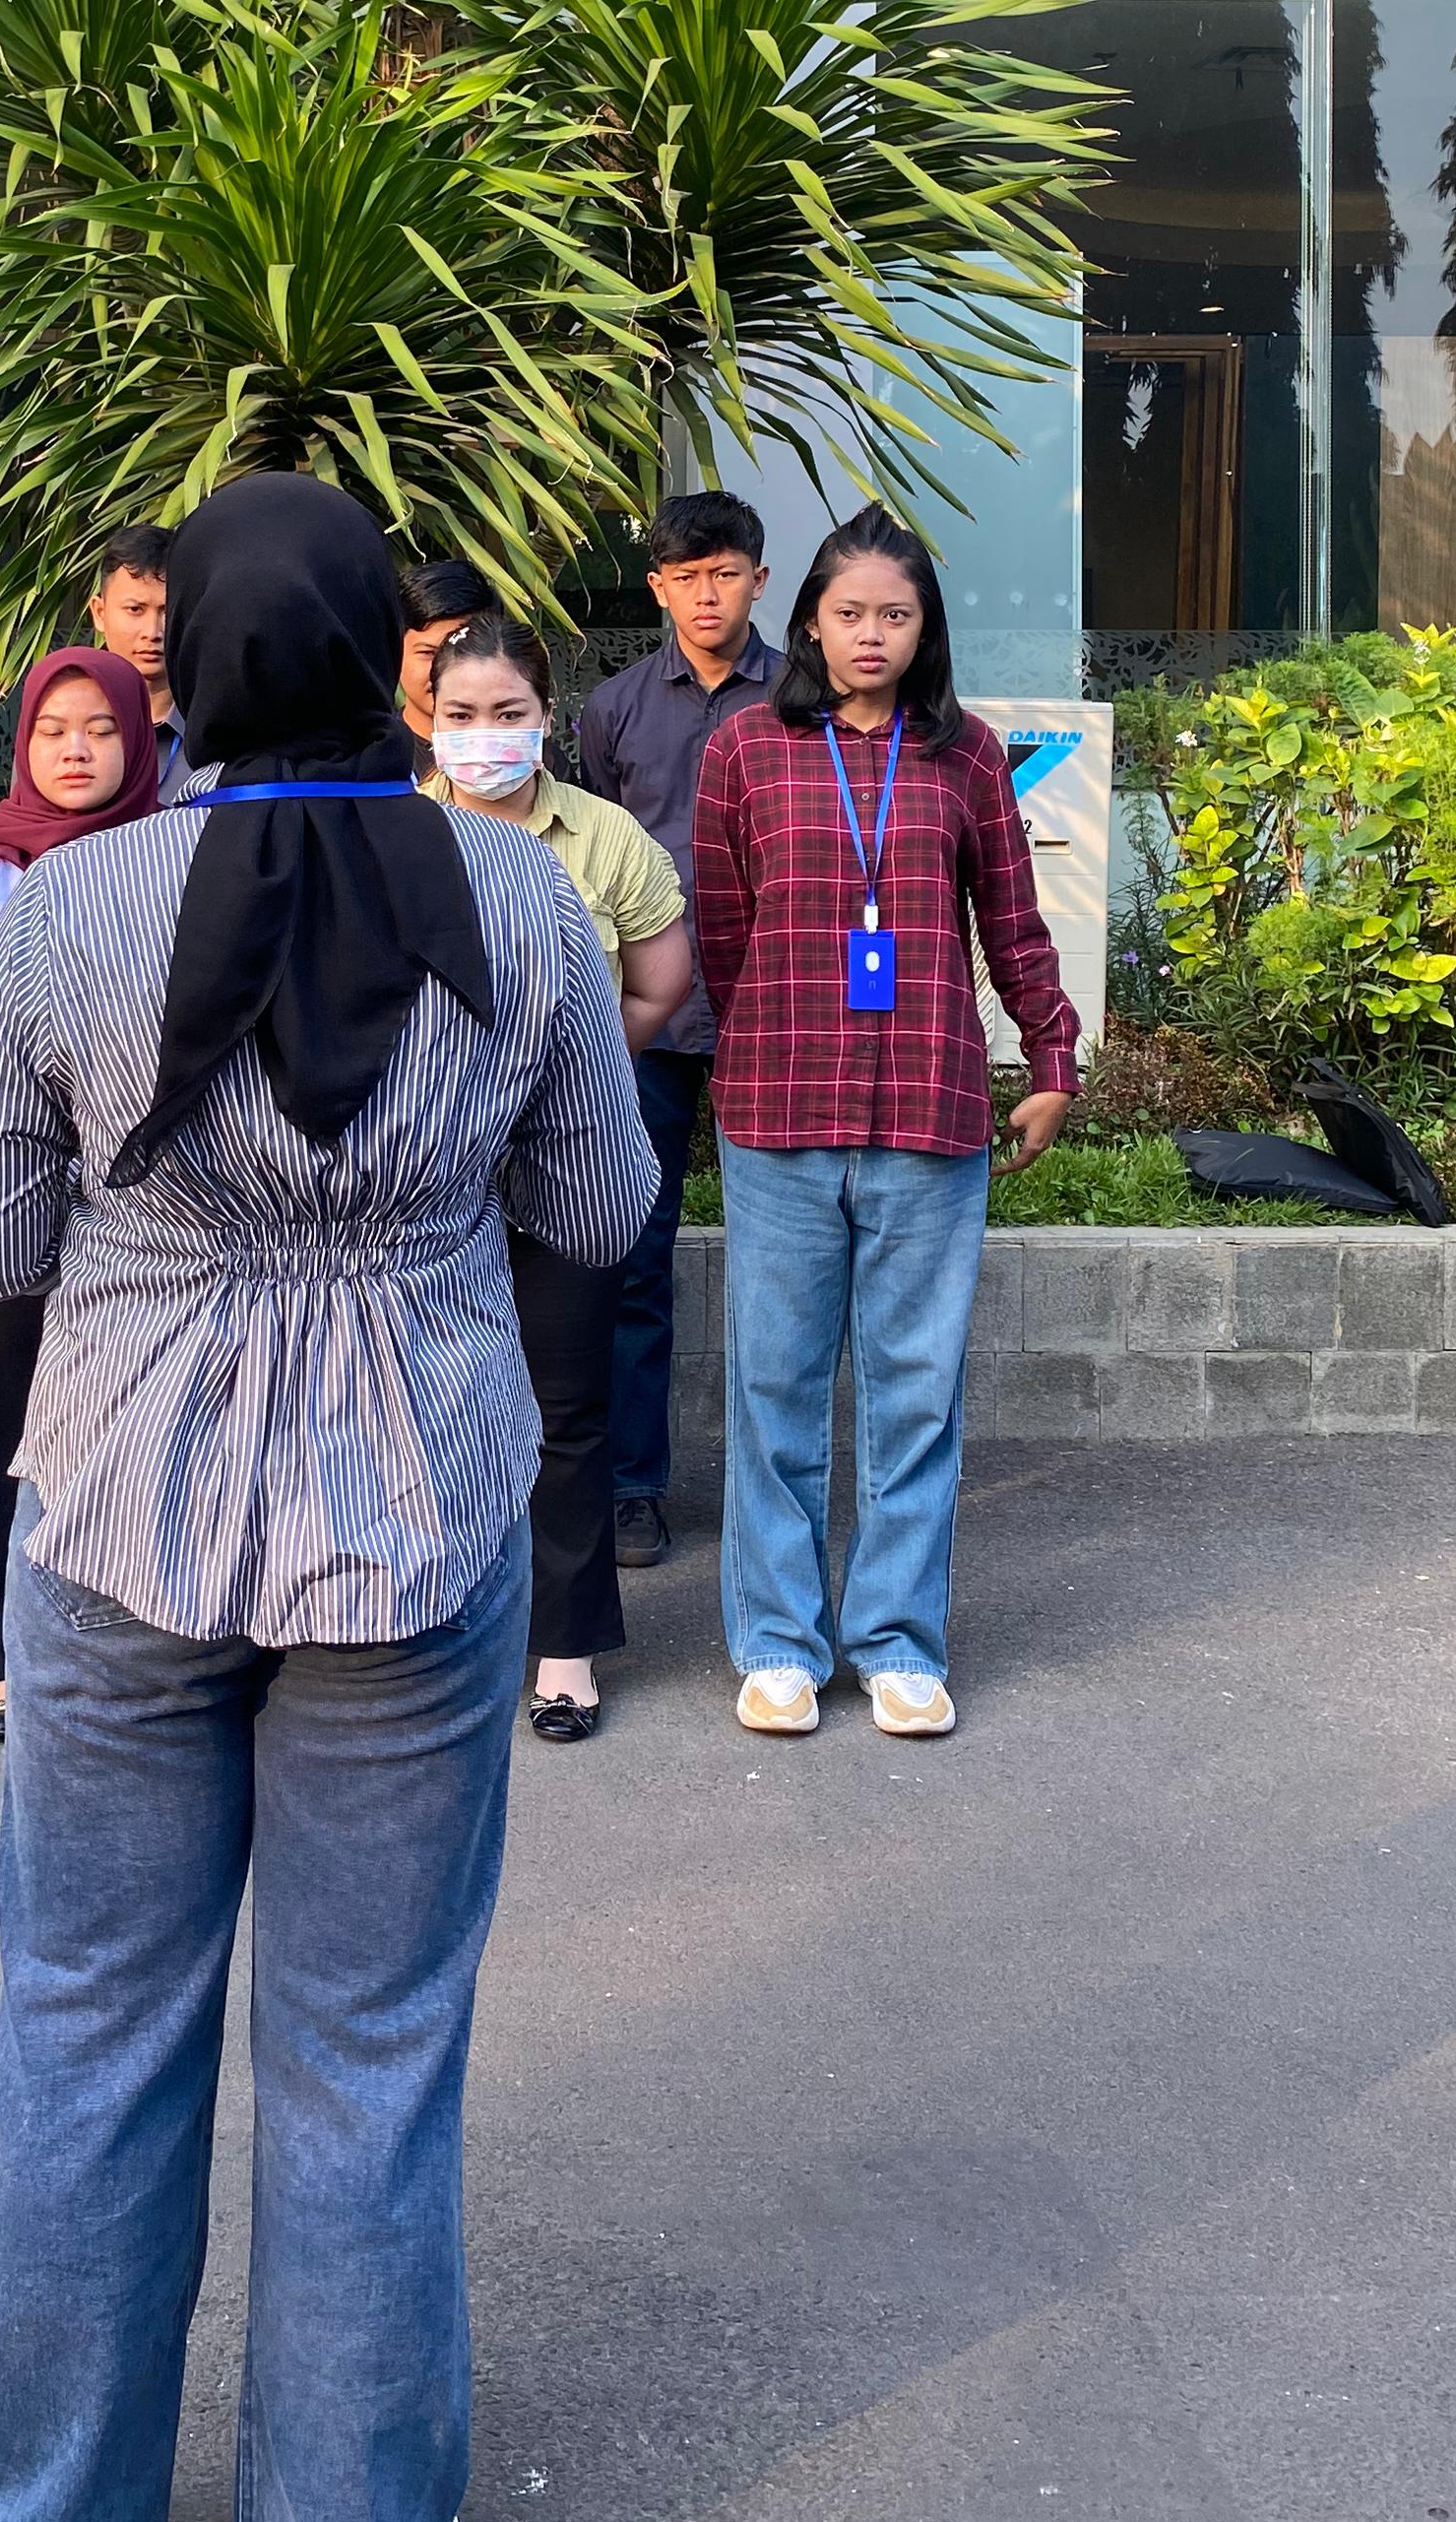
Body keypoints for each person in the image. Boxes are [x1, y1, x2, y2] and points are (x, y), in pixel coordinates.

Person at [0, 475, 653, 2522]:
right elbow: (603, 1209)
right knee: (366, 2052)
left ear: (192, 669)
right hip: (414, 1509)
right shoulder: (517, 896)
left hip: (114, 1507)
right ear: (388, 662)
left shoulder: (68, 899)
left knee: (85, 2024)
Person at [690, 508, 1074, 1745]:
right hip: (779, 1113)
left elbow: (1011, 923)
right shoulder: (746, 749)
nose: (871, 634)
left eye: (895, 615)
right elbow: (722, 931)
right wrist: (767, 1035)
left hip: (928, 1108)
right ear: (809, 621)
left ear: (924, 629)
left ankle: (900, 1642)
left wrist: (1050, 1055)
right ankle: (779, 1644)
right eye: (850, 613)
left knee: (915, 1393)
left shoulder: (967, 756)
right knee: (775, 1388)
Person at [422, 614, 691, 1746]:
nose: (484, 734)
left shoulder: (605, 835)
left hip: (569, 1160)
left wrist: (582, 1070)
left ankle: (564, 1647)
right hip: (427, 1171)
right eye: (461, 714)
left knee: (565, 1405)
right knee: (426, 1400)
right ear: (426, 721)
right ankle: (428, 1630)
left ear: (546, 719)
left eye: (508, 713)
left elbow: (661, 979)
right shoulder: (397, 830)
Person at [0, 647, 158, 1741]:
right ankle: (0, 1655)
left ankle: (129, 1638)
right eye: (54, 729)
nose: (75, 749)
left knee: (126, 1421)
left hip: (140, 1195)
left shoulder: (169, 854)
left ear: (138, 741)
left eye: (101, 729)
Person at [569, 490, 779, 1572]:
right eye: (686, 577)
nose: (707, 595)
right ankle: (632, 1487)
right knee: (635, 1253)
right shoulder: (611, 710)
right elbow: (596, 853)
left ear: (759, 580)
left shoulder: (804, 697)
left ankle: (772, 1498)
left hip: (772, 1012)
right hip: (646, 1018)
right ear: (657, 587)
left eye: (725, 573)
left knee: (782, 1263)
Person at [84, 522, 191, 797]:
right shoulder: (62, 726)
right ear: (99, 613)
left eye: (168, 611)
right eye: (135, 609)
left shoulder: (215, 732)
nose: (152, 632)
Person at [395, 551, 497, 744]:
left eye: (463, 651)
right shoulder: (369, 757)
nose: (444, 670)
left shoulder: (532, 755)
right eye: (428, 653)